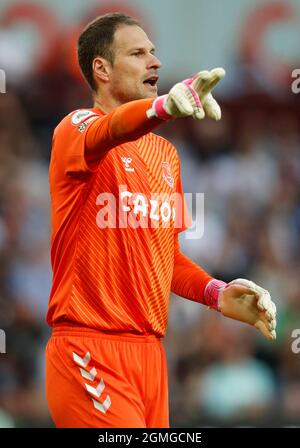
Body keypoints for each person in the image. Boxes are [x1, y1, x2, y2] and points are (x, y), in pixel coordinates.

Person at [45, 12, 277, 428]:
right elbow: (110, 131)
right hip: (90, 348)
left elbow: (164, 257)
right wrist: (162, 107)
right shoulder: (76, 129)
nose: (155, 62)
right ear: (101, 68)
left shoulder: (164, 155)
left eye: (154, 52)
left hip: (150, 357)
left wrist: (215, 292)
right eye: (137, 53)